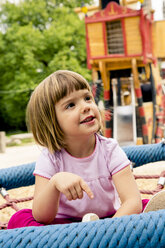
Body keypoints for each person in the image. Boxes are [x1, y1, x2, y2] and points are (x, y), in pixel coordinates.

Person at [8, 70, 148, 229]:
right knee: (19, 218)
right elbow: (42, 216)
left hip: (109, 220)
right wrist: (55, 183)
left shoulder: (110, 149)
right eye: (71, 105)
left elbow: (132, 201)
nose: (86, 107)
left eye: (87, 98)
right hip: (64, 227)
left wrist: (106, 230)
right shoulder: (51, 158)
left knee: (145, 205)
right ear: (52, 121)